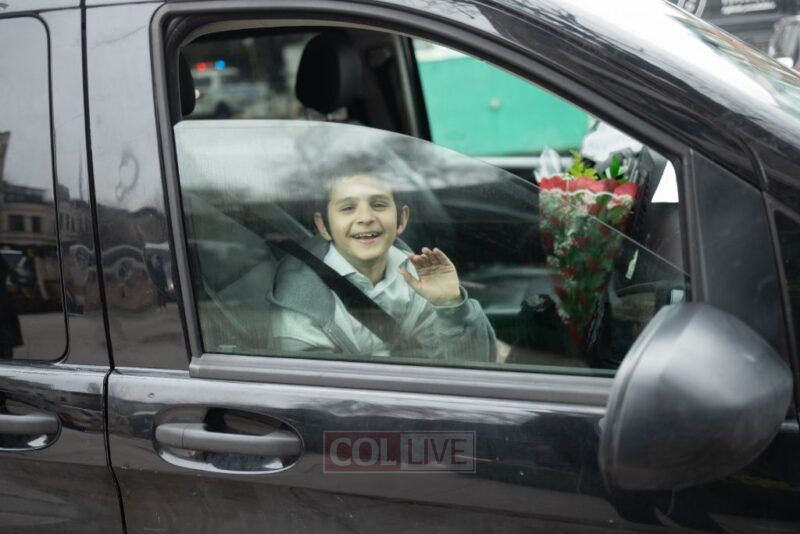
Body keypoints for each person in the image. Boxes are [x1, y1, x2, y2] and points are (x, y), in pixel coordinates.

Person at [269, 163, 496, 362]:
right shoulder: (300, 304)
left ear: (402, 219)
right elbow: (318, 387)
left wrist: (450, 305)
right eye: (348, 208)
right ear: (323, 226)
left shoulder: (417, 277)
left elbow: (470, 368)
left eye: (378, 205)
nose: (366, 218)